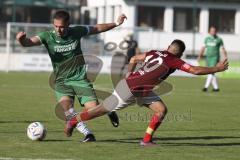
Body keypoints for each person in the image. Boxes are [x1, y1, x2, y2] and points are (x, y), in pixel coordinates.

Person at [64, 39, 228, 146]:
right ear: (180, 53)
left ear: (168, 47)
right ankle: (73, 121)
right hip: (131, 90)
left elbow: (134, 58)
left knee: (161, 110)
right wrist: (218, 68)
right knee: (101, 110)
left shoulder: (155, 52)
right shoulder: (174, 60)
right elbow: (194, 70)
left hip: (138, 88)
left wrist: (129, 73)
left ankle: (146, 140)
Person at [16, 10, 127, 142]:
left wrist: (115, 23)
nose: (59, 30)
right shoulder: (47, 36)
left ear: (68, 24)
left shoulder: (76, 32)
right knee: (68, 110)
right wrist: (22, 41)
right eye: (56, 26)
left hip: (79, 79)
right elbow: (29, 42)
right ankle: (88, 135)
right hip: (61, 81)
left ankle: (108, 110)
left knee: (92, 109)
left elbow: (96, 28)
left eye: (62, 26)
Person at [197, 26, 228, 92]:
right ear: (209, 31)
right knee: (211, 72)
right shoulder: (207, 39)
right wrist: (200, 56)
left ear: (216, 31)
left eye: (214, 31)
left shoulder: (219, 39)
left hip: (215, 57)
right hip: (208, 57)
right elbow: (203, 48)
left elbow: (223, 48)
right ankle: (216, 88)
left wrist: (225, 56)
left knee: (211, 71)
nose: (213, 32)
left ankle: (205, 87)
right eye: (211, 31)